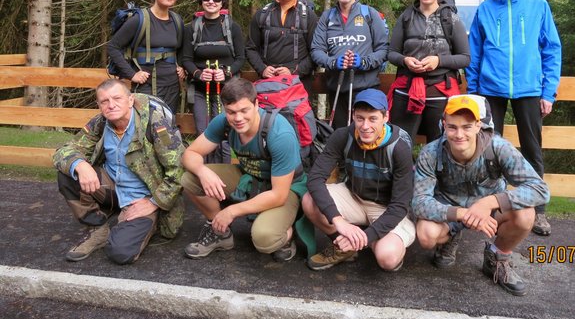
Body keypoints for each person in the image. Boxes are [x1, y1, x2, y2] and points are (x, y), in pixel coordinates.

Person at [412, 94, 549, 296]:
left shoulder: (499, 148)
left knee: (526, 215)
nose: (459, 134)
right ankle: (449, 239)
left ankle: (497, 257)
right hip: (451, 211)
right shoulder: (430, 153)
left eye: (467, 127)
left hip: (491, 210)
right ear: (443, 124)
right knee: (426, 234)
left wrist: (491, 202)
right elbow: (419, 203)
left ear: (478, 126)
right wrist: (462, 214)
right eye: (452, 127)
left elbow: (540, 189)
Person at [466, 0, 561, 236]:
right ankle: (491, 207)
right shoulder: (486, 8)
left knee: (532, 149)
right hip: (490, 88)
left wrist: (549, 92)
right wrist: (473, 93)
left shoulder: (538, 5)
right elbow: (475, 53)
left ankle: (538, 210)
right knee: (489, 149)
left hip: (528, 88)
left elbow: (551, 50)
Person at [52, 79, 185, 264]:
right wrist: (81, 165)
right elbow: (64, 151)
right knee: (68, 172)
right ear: (98, 105)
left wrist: (155, 202)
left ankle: (147, 223)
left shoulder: (155, 123)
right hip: (112, 187)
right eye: (104, 101)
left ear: (130, 100)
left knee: (120, 252)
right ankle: (98, 228)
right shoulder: (100, 122)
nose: (111, 105)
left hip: (143, 198)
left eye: (117, 98)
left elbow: (179, 169)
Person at [180, 77, 306, 262]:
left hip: (284, 188)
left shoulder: (279, 133)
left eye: (244, 110)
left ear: (256, 104)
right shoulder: (223, 122)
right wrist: (202, 171)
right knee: (190, 178)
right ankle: (220, 232)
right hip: (249, 176)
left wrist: (231, 211)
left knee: (265, 239)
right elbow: (190, 154)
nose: (238, 118)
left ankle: (289, 231)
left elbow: (278, 195)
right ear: (224, 109)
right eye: (231, 112)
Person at [302, 89, 415, 271]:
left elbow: (400, 205)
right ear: (353, 116)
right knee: (309, 201)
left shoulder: (399, 147)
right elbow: (315, 178)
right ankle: (343, 245)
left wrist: (366, 236)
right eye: (360, 118)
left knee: (388, 259)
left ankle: (356, 240)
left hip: (386, 208)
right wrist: (338, 221)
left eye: (373, 119)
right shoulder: (342, 136)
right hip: (354, 196)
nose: (365, 126)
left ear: (386, 117)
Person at [388, 0, 470, 143]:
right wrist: (405, 60)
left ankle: (437, 172)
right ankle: (404, 172)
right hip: (406, 91)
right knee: (400, 144)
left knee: (440, 146)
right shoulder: (406, 17)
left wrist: (438, 61)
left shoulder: (451, 19)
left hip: (439, 92)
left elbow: (465, 58)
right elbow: (392, 53)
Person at [311, 0, 389, 128]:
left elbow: (384, 49)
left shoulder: (369, 14)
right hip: (337, 89)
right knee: (340, 136)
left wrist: (364, 62)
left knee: (365, 134)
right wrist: (333, 62)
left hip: (366, 88)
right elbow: (316, 50)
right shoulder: (327, 17)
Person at [182, 0, 245, 163]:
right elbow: (186, 58)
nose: (211, 1)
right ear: (201, 0)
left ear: (222, 1)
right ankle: (206, 175)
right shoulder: (191, 28)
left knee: (225, 134)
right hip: (200, 89)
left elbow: (240, 58)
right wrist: (198, 74)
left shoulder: (232, 28)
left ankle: (224, 179)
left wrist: (226, 73)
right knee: (203, 132)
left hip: (227, 90)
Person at [107, 0, 186, 114]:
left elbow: (180, 49)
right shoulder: (139, 20)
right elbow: (113, 47)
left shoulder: (177, 21)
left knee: (167, 129)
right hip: (146, 86)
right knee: (145, 128)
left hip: (172, 86)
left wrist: (181, 67)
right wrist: (132, 75)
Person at [246, 0, 318, 90]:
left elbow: (316, 52)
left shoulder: (308, 16)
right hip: (268, 83)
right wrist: (262, 69)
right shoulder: (262, 14)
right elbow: (250, 48)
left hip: (298, 85)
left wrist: (294, 71)